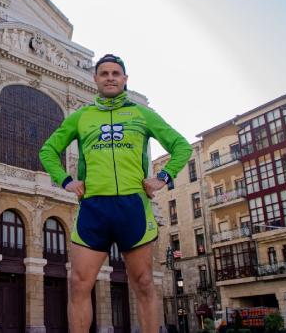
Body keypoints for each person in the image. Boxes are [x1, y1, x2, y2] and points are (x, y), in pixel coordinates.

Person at [39, 53, 192, 333]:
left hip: (133, 207)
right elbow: (48, 150)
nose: (110, 77)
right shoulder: (82, 117)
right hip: (93, 209)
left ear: (124, 79)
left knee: (144, 283)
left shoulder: (142, 114)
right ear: (95, 79)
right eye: (104, 73)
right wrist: (66, 181)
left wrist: (163, 177)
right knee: (78, 283)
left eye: (115, 73)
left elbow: (182, 146)